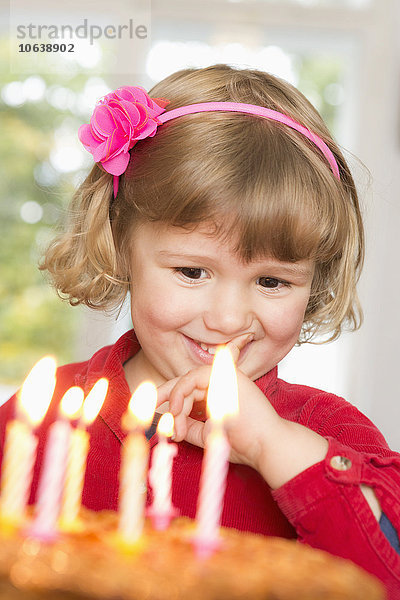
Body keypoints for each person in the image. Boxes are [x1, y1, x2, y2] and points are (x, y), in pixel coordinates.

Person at [1, 64, 400, 596]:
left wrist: (274, 445)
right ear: (122, 245)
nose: (229, 319)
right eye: (192, 272)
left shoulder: (331, 438)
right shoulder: (42, 420)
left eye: (273, 281)